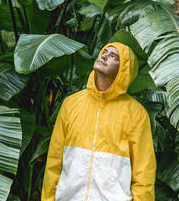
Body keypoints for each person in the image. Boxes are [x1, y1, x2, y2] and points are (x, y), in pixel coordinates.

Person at [41, 42, 156, 201]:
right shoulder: (71, 104)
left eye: (113, 56)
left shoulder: (136, 114)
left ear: (124, 69)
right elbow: (54, 162)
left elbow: (143, 174)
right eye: (104, 51)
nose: (104, 56)